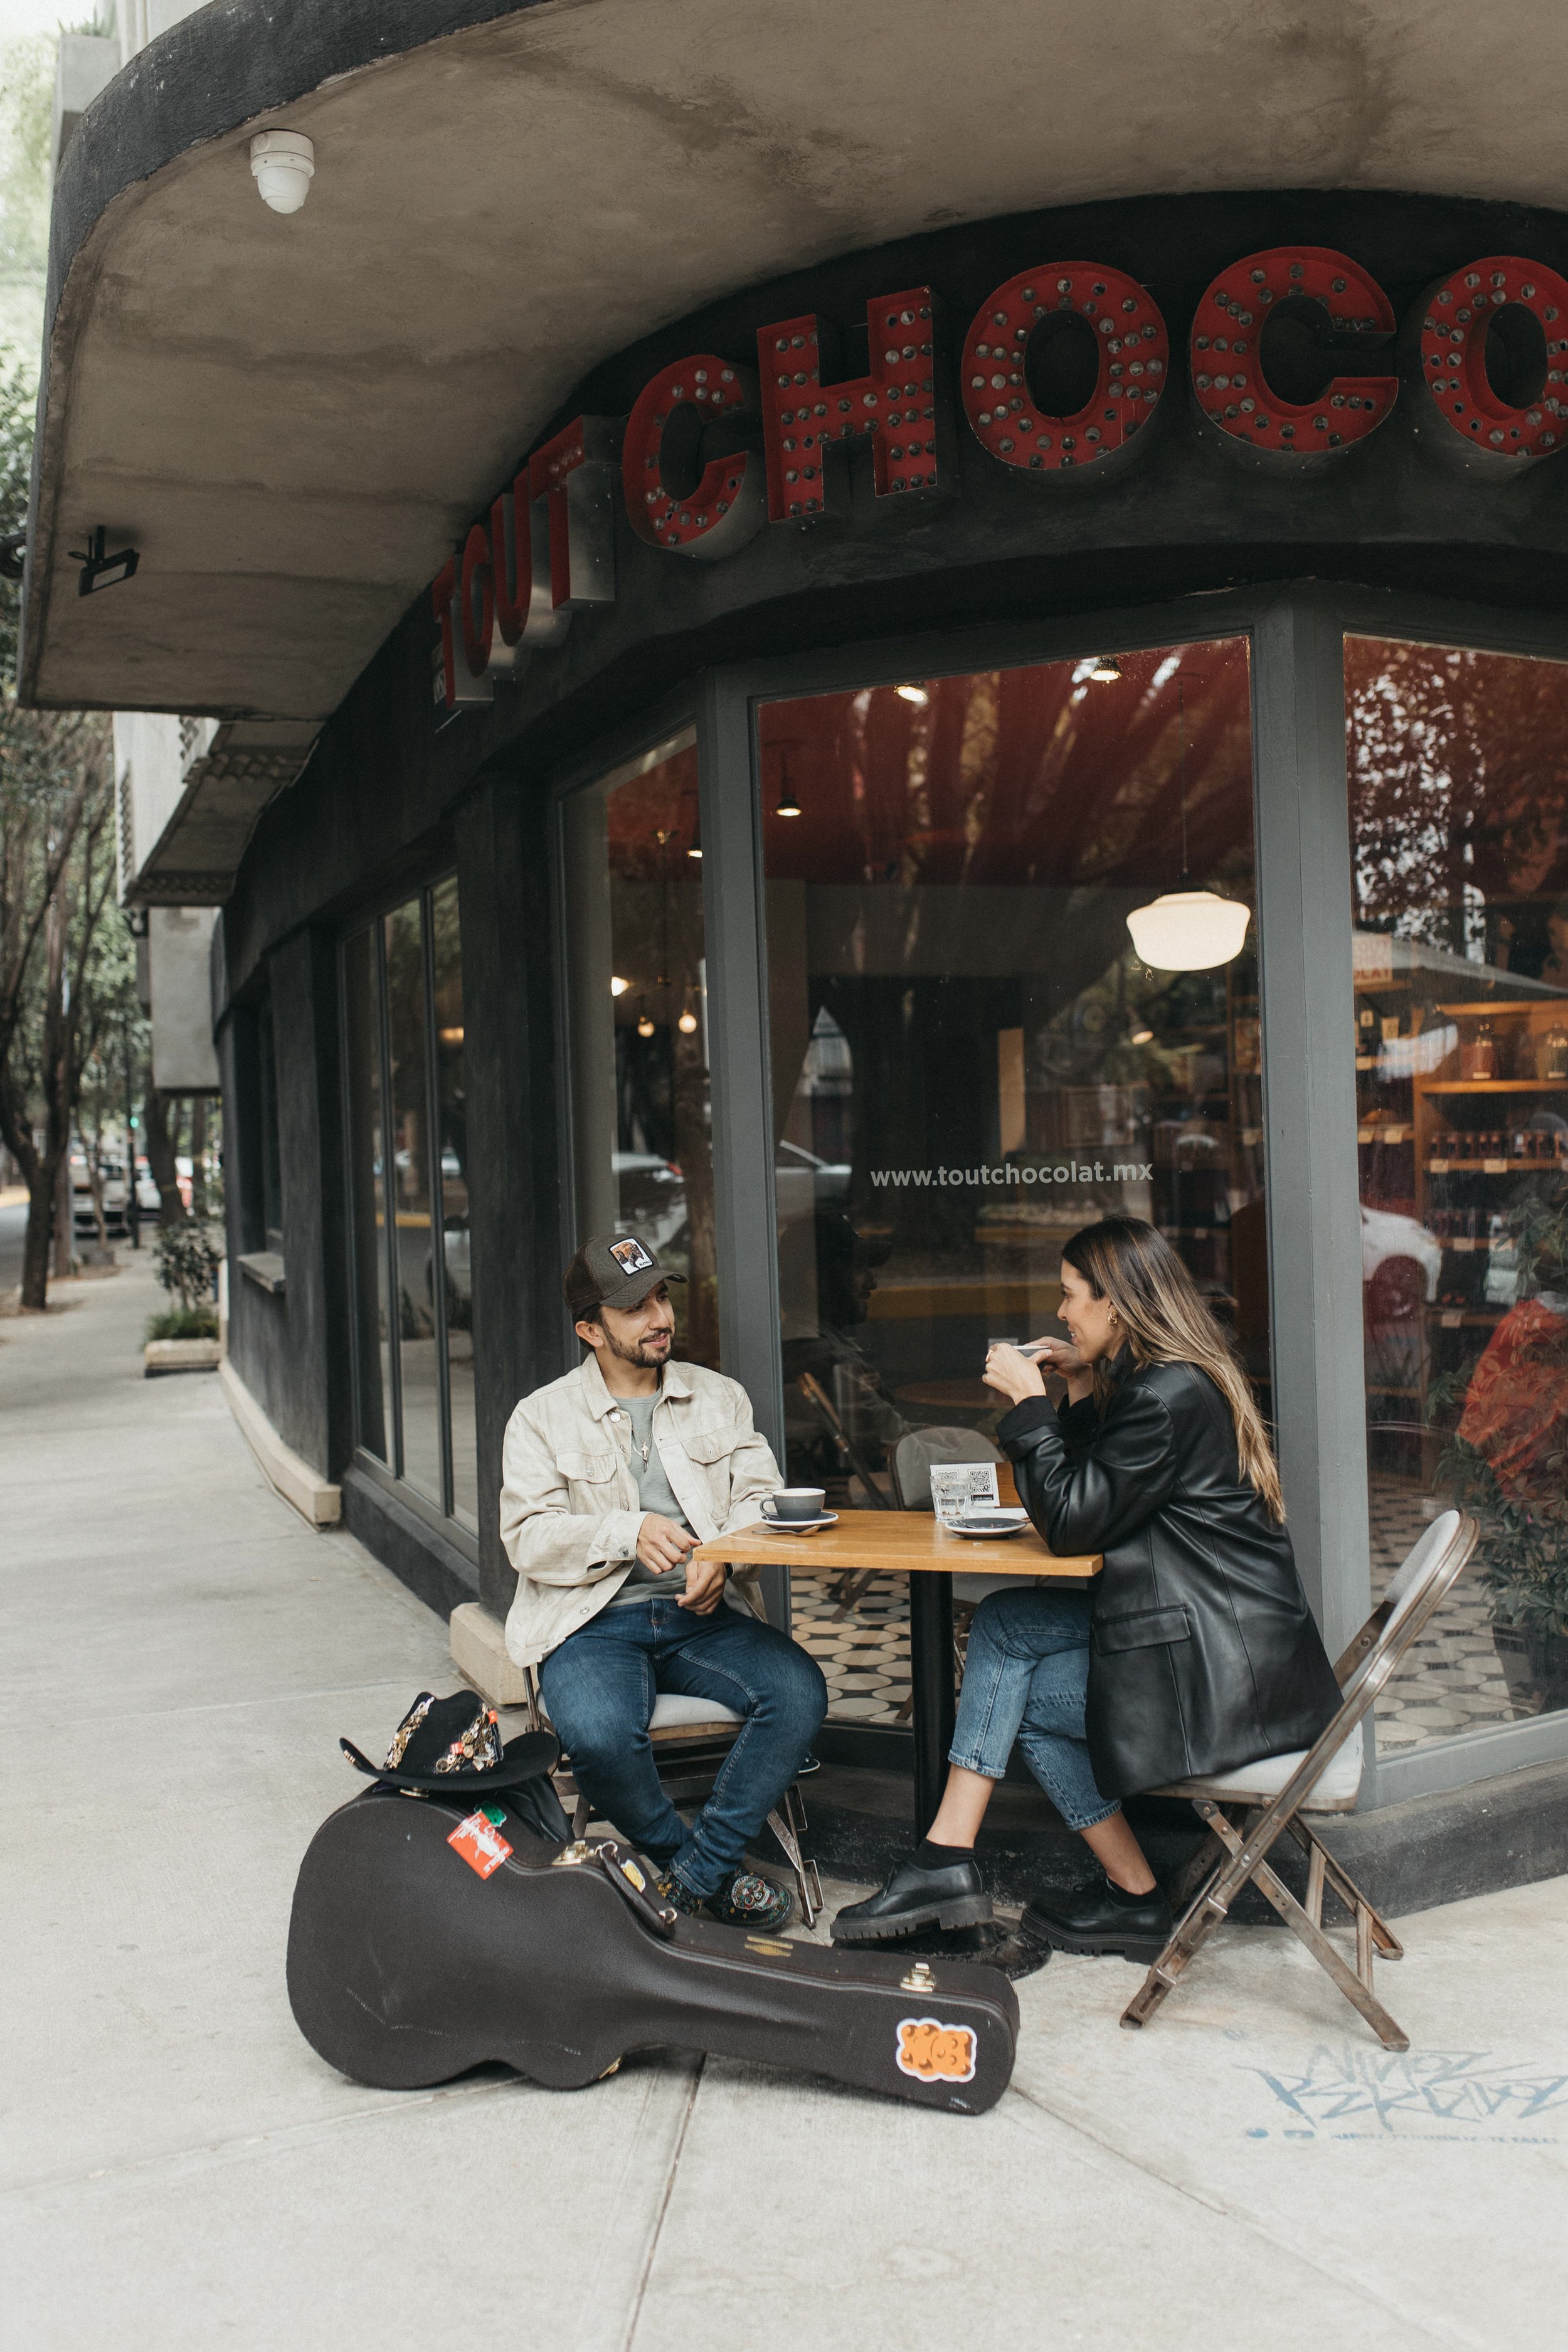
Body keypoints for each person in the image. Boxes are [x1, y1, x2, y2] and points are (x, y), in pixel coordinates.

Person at [834, 1215, 1342, 1961]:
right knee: (1008, 1630)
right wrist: (1076, 1387)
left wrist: (1027, 1405)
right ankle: (1100, 1890)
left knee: (1019, 1681)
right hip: (1220, 1642)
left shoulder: (1164, 1395)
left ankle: (955, 1862)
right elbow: (1097, 1492)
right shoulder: (1167, 1380)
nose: (1063, 1313)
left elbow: (1072, 1522)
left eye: (1072, 1296)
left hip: (1225, 1675)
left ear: (1118, 1303)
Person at [500, 1233, 827, 1930]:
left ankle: (688, 1883)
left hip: (700, 1617)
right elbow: (526, 1537)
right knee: (597, 1733)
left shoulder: (718, 1397)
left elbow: (760, 1497)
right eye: (633, 1309)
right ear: (590, 1330)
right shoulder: (540, 1417)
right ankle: (709, 1876)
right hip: (591, 1624)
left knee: (799, 1690)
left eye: (660, 1297)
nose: (659, 1318)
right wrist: (627, 1530)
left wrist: (724, 1555)